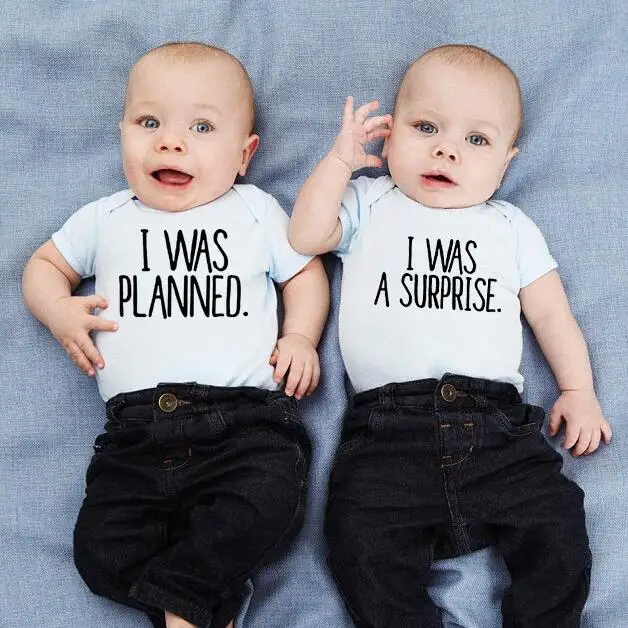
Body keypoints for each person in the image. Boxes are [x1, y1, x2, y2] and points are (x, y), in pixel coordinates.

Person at [289, 44, 612, 627]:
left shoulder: (509, 227)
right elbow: (307, 236)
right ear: (389, 136)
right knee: (359, 545)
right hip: (388, 434)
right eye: (426, 127)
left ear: (507, 161)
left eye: (477, 140)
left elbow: (551, 314)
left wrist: (578, 389)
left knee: (558, 528)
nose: (446, 149)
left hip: (497, 430)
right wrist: (339, 164)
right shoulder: (370, 202)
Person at [22, 42, 329, 628]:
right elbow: (43, 265)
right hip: (135, 435)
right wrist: (58, 309)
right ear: (122, 135)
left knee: (265, 505)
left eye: (201, 127)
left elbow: (304, 273)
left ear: (245, 155)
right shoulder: (105, 217)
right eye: (148, 123)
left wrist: (299, 337)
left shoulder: (255, 210)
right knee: (99, 553)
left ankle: (186, 600)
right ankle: (197, 600)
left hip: (244, 424)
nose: (169, 142)